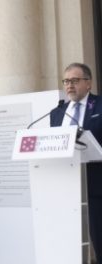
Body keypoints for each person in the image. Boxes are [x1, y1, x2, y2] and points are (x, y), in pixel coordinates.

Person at [50, 62, 102, 263]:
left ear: (88, 83)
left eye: (74, 80)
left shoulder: (99, 106)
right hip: (66, 187)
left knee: (98, 242)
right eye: (66, 81)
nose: (69, 85)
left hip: (95, 187)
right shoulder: (57, 113)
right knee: (68, 242)